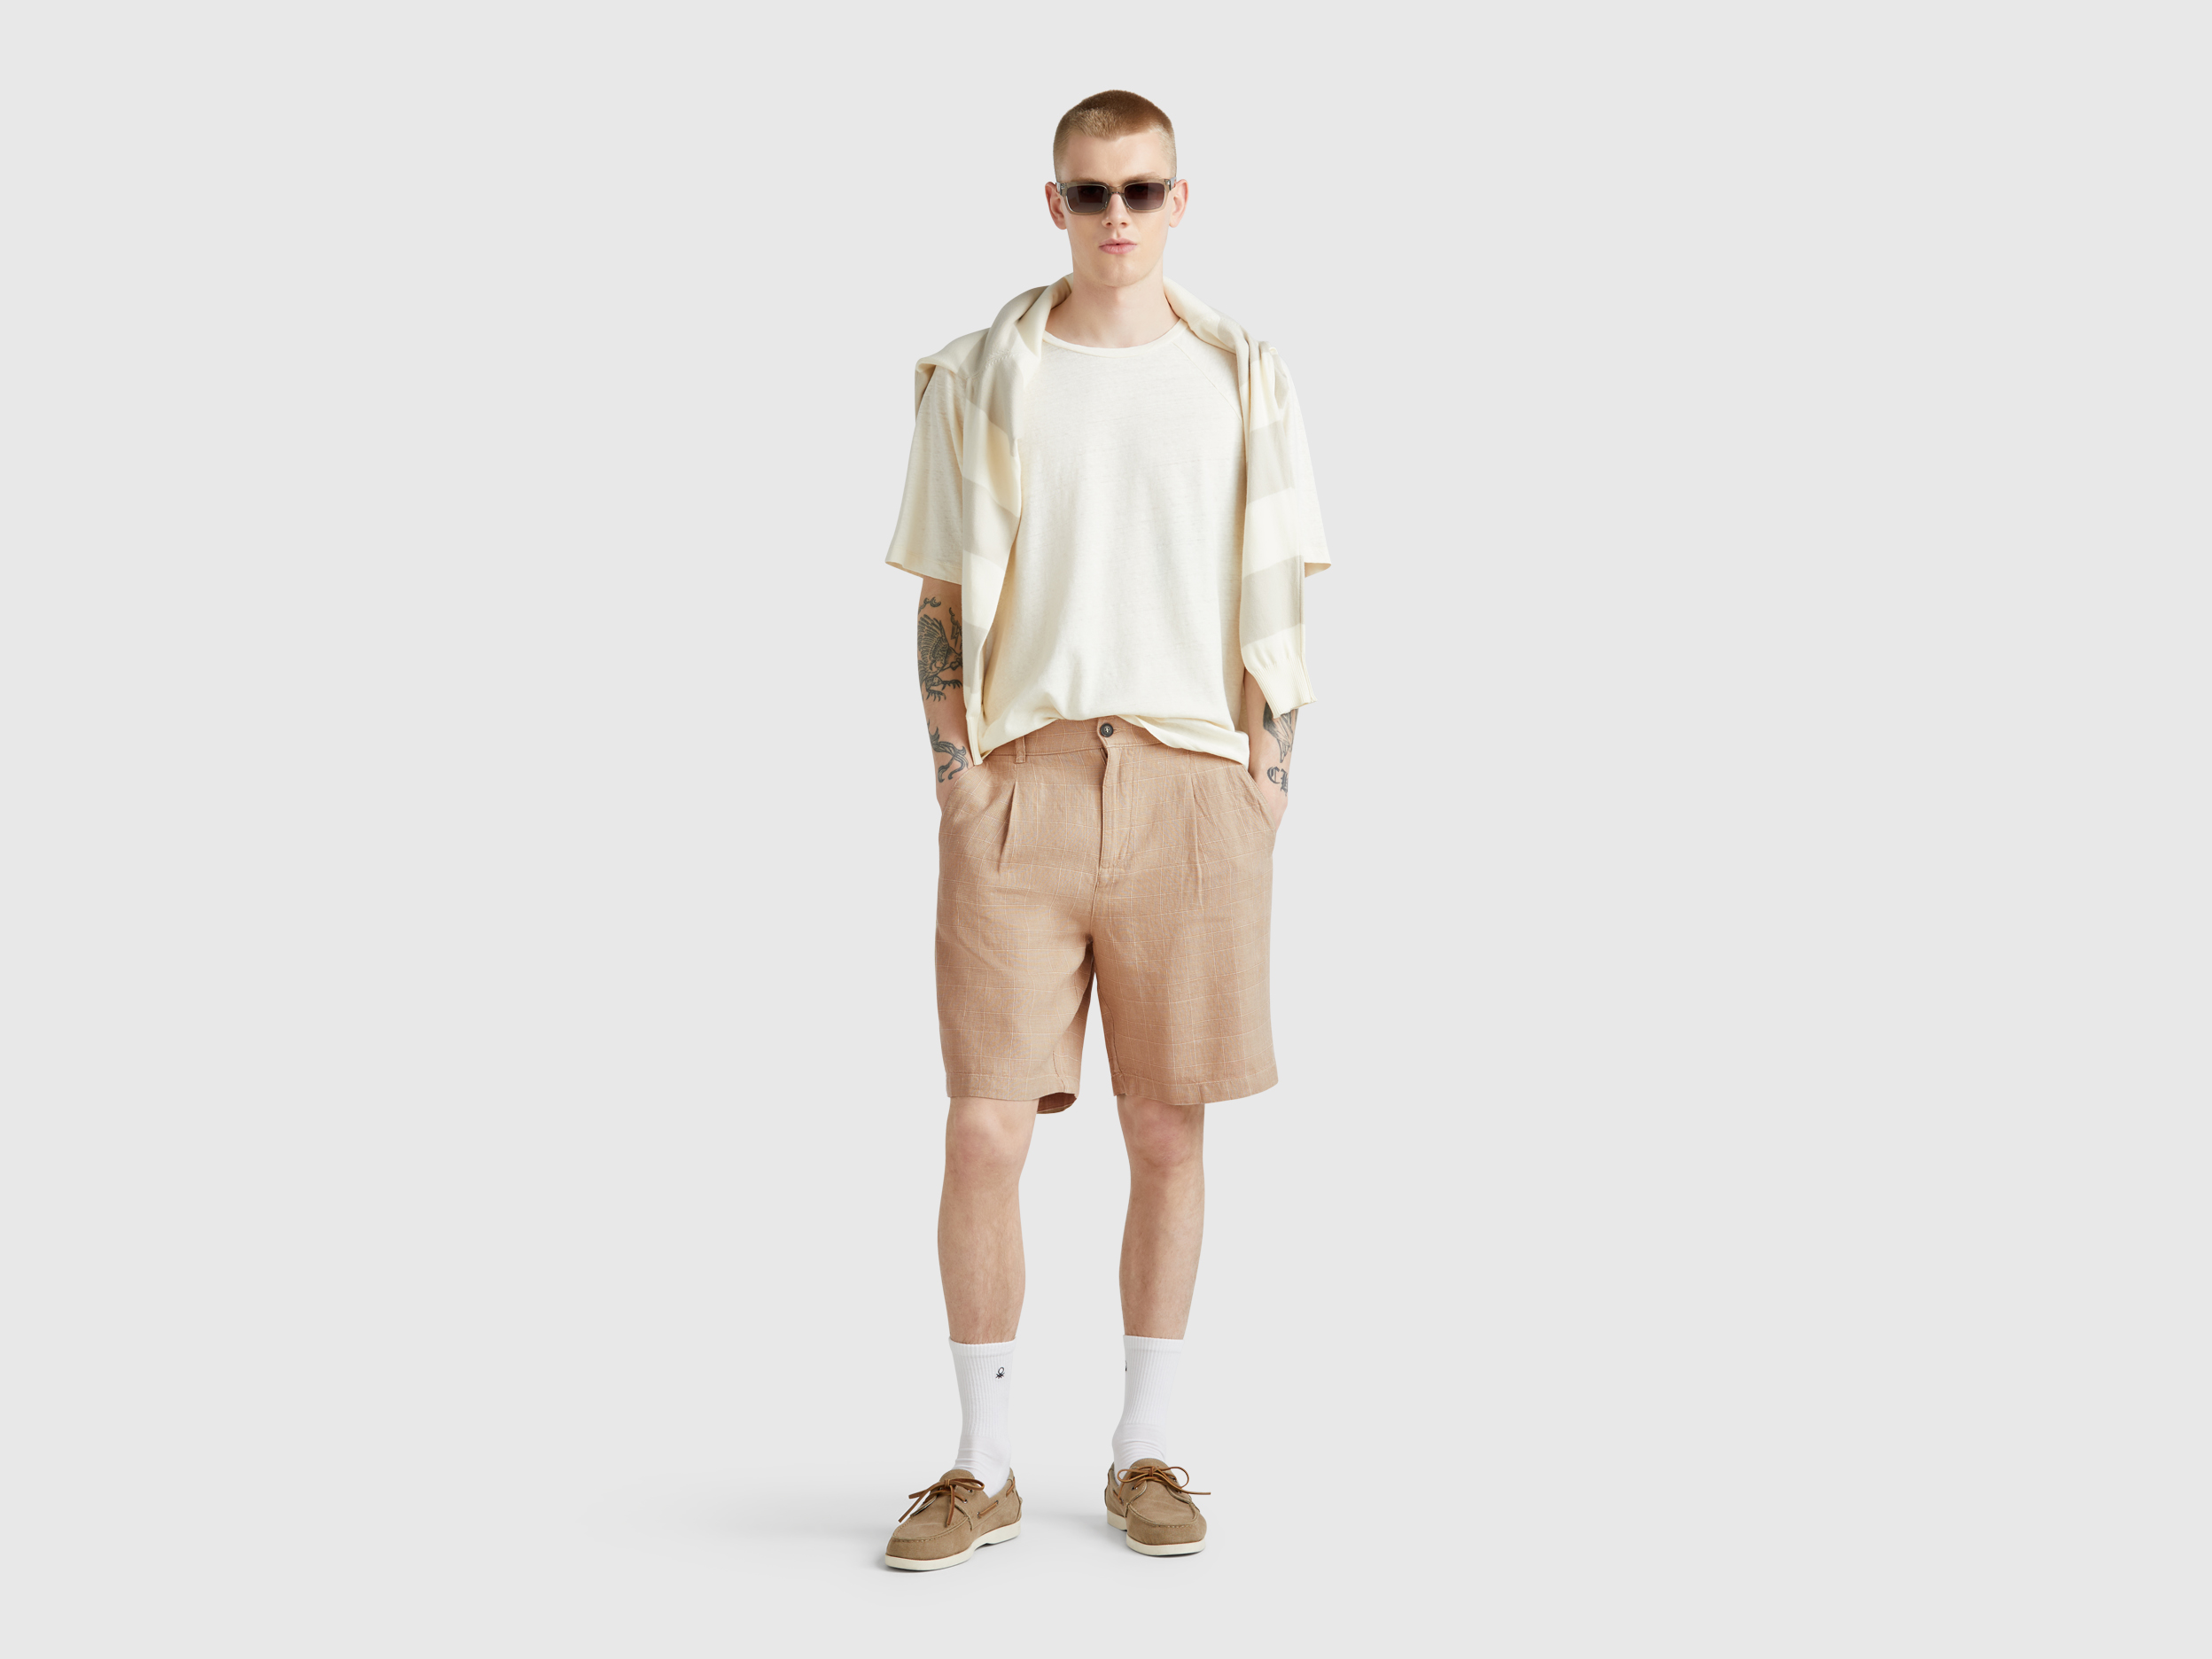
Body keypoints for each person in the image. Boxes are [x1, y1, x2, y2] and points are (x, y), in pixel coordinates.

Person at [878, 89, 1330, 1570]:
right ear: (1055, 202)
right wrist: (958, 776)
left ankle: (1147, 1450)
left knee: (1166, 1127)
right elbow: (941, 593)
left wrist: (1267, 781)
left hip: (1196, 783)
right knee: (984, 1127)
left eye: (1141, 191)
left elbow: (1282, 587)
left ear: (1179, 200)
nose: (1117, 217)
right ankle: (982, 1461)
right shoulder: (980, 376)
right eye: (1091, 192)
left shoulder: (1242, 377)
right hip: (1022, 781)